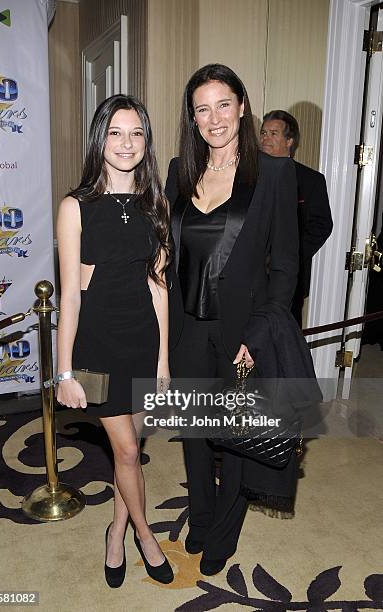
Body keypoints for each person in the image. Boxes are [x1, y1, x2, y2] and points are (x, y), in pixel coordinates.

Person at [165, 64, 305, 577]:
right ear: (193, 117)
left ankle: (223, 532)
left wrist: (260, 333)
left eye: (224, 104)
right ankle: (200, 520)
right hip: (186, 328)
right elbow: (170, 252)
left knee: (238, 434)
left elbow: (286, 265)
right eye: (202, 108)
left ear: (243, 106)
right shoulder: (180, 169)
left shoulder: (273, 173)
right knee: (196, 432)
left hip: (241, 333)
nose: (214, 117)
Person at [55, 95, 174, 587]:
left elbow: (159, 287)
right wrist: (64, 371)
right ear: (99, 138)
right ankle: (145, 535)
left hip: (142, 341)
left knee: (135, 446)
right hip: (97, 347)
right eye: (116, 132)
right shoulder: (75, 206)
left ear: (146, 141)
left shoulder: (155, 204)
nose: (126, 143)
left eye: (136, 133)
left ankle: (116, 526)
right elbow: (70, 297)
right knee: (126, 452)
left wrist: (164, 360)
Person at [259, 109, 333, 326]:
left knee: (284, 334)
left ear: (289, 141)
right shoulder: (246, 174)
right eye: (263, 133)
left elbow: (321, 225)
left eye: (273, 133)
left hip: (288, 277)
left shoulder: (311, 180)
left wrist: (288, 256)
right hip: (249, 275)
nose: (265, 138)